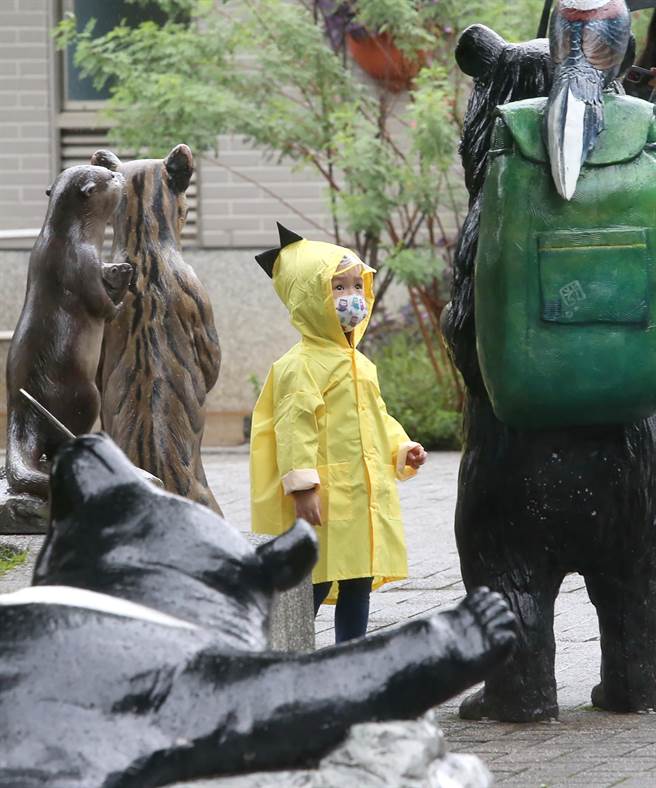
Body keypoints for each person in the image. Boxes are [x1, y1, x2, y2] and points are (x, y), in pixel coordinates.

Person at [250, 224, 427, 643]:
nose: (352, 297)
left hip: (361, 496)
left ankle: (351, 654)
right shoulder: (300, 366)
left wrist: (402, 447)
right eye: (338, 287)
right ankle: (287, 648)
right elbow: (294, 428)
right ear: (309, 298)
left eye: (357, 285)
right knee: (314, 578)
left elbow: (377, 417)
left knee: (358, 579)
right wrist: (302, 487)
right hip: (325, 498)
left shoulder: (360, 363)